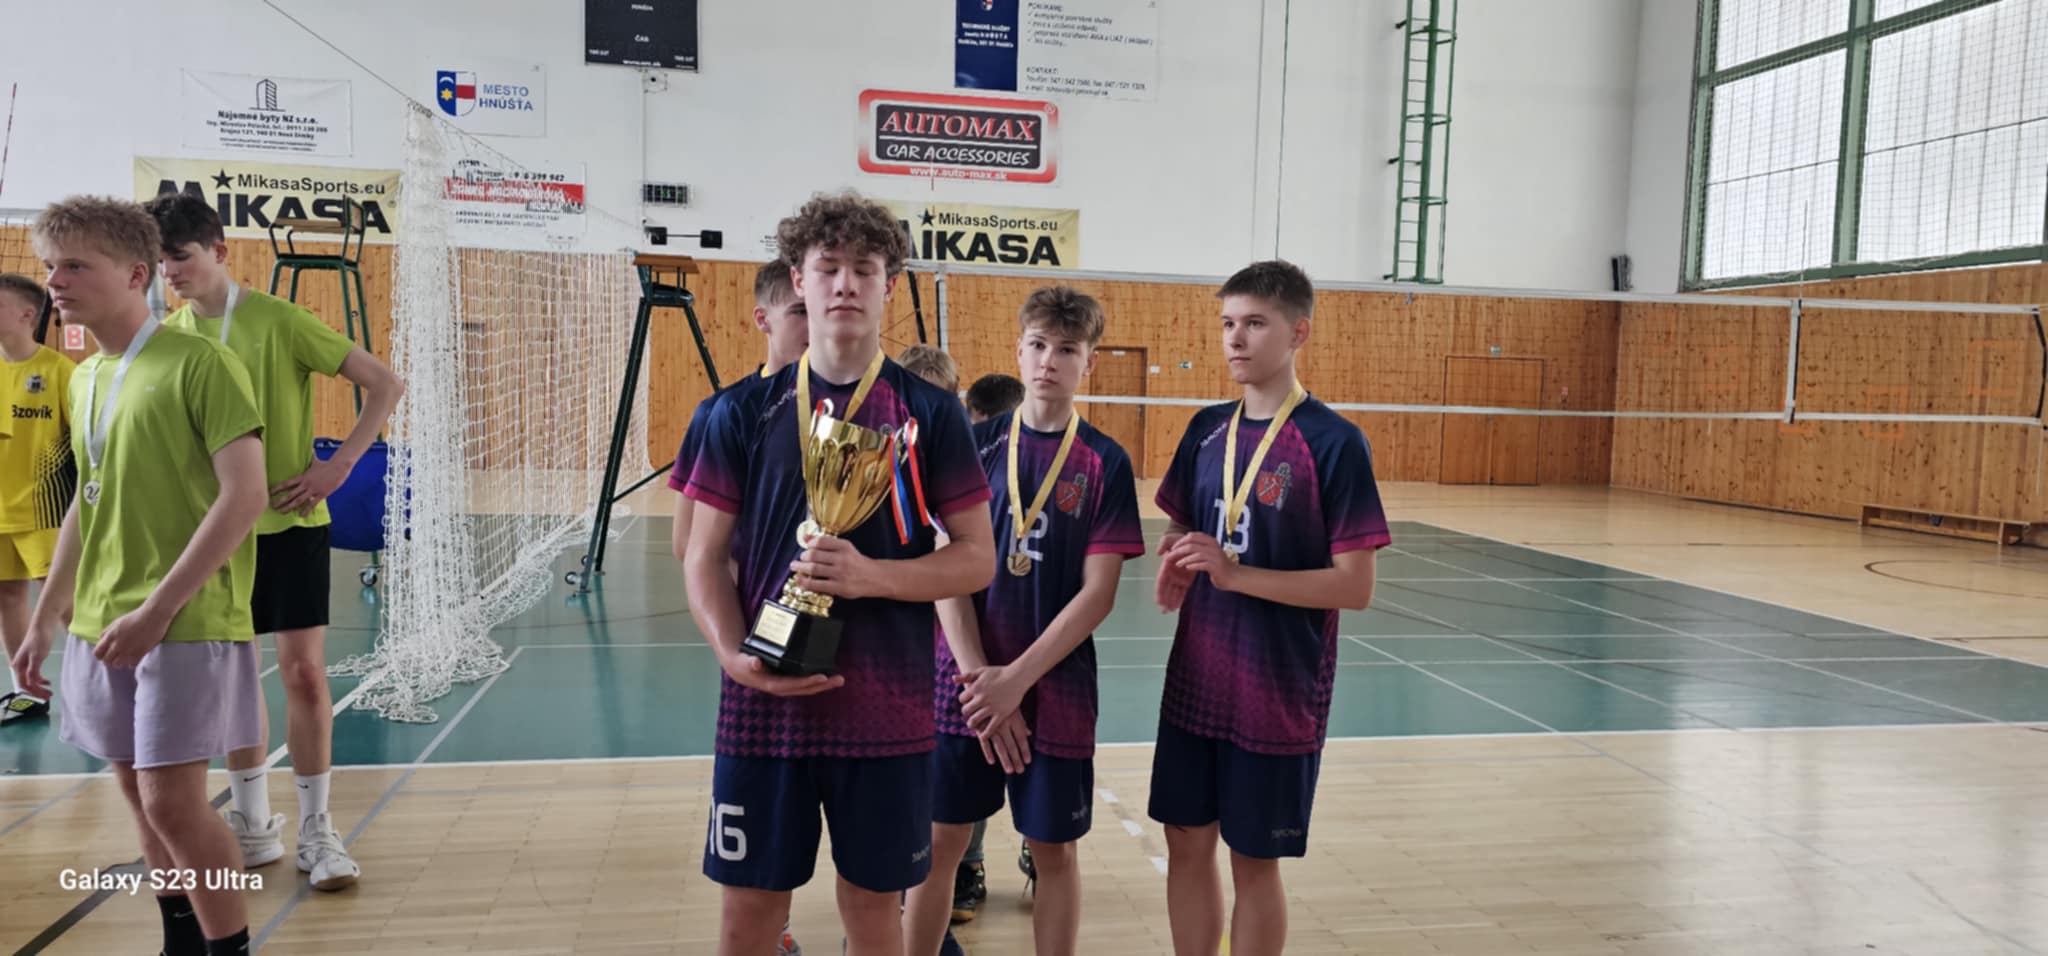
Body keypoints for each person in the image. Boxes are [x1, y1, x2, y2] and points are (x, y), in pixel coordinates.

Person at [679, 191, 996, 956]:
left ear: (890, 284)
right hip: (762, 711)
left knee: (874, 912)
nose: (846, 284)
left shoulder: (933, 414)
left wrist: (872, 576)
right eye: (828, 268)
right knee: (747, 917)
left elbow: (977, 556)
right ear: (800, 280)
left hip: (887, 712)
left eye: (865, 268)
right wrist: (733, 657)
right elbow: (703, 557)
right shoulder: (737, 412)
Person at [14, 195, 267, 956]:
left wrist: (157, 610)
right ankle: (179, 943)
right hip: (101, 622)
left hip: (180, 621)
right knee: (139, 798)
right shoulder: (86, 377)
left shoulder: (201, 363)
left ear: (134, 274)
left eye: (74, 266)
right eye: (50, 266)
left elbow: (245, 496)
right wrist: (46, 615)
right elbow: (86, 502)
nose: (54, 282)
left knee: (174, 804)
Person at [145, 192, 405, 892]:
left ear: (219, 251)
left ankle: (319, 829)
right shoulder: (168, 336)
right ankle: (254, 825)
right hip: (213, 537)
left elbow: (384, 383)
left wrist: (338, 466)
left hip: (289, 525)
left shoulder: (279, 320)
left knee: (304, 674)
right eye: (160, 262)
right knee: (233, 684)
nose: (170, 272)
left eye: (180, 257)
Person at [1149, 260, 1390, 956]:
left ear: (1298, 332)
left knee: (1254, 859)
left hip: (1277, 691)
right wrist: (1178, 555)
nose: (1235, 338)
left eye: (1255, 323)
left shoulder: (1332, 442)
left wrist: (1234, 575)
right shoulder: (1205, 430)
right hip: (1197, 680)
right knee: (1185, 839)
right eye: (1228, 323)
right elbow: (1184, 522)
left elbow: (1355, 587)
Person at [905, 285, 1145, 956]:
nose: (1049, 361)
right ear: (1018, 350)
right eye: (1038, 345)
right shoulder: (971, 445)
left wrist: (1016, 683)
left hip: (1056, 691)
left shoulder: (1105, 461)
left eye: (1067, 350)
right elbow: (944, 573)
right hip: (964, 686)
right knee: (940, 843)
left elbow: (1098, 594)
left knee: (1054, 852)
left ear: (1088, 362)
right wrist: (986, 683)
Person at [668, 259, 809, 956]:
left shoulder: (871, 412)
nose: (816, 324)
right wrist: (751, 617)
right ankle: (772, 929)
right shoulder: (724, 413)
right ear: (764, 319)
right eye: (799, 312)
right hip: (761, 645)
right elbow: (688, 544)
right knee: (761, 841)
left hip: (858, 653)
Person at [0, 273, 73, 725]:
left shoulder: (60, 372)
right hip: (0, 510)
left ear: (28, 315)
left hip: (46, 510)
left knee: (63, 603)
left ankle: (98, 689)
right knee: (8, 596)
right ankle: (26, 693)